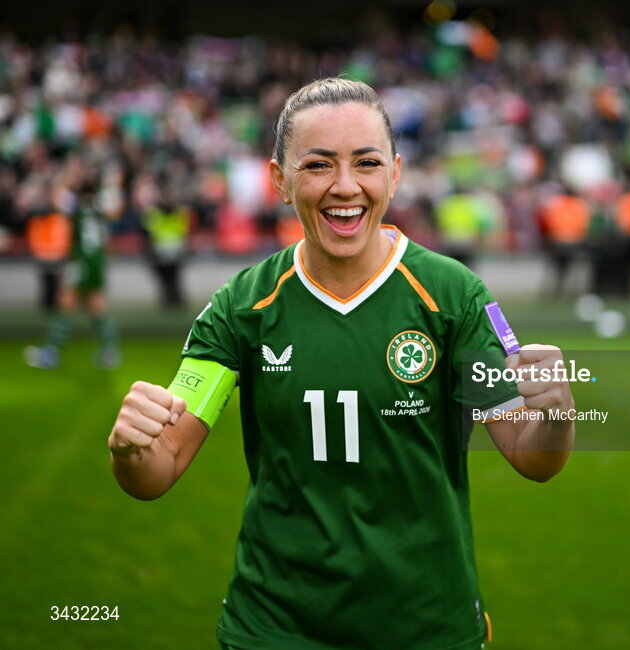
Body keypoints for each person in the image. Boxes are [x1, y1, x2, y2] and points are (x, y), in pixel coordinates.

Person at [107, 78, 576, 650]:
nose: (345, 186)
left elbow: (534, 458)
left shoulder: (454, 297)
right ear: (280, 181)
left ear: (395, 174)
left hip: (428, 626)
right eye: (319, 165)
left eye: (367, 162)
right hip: (275, 629)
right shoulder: (242, 307)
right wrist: (131, 450)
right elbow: (157, 471)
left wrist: (554, 412)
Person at [24, 168, 121, 369]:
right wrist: (113, 184)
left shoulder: (76, 204)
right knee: (95, 304)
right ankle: (110, 351)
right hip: (96, 261)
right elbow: (115, 211)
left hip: (81, 261)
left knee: (67, 302)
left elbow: (56, 195)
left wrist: (67, 174)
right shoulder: (99, 205)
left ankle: (52, 353)